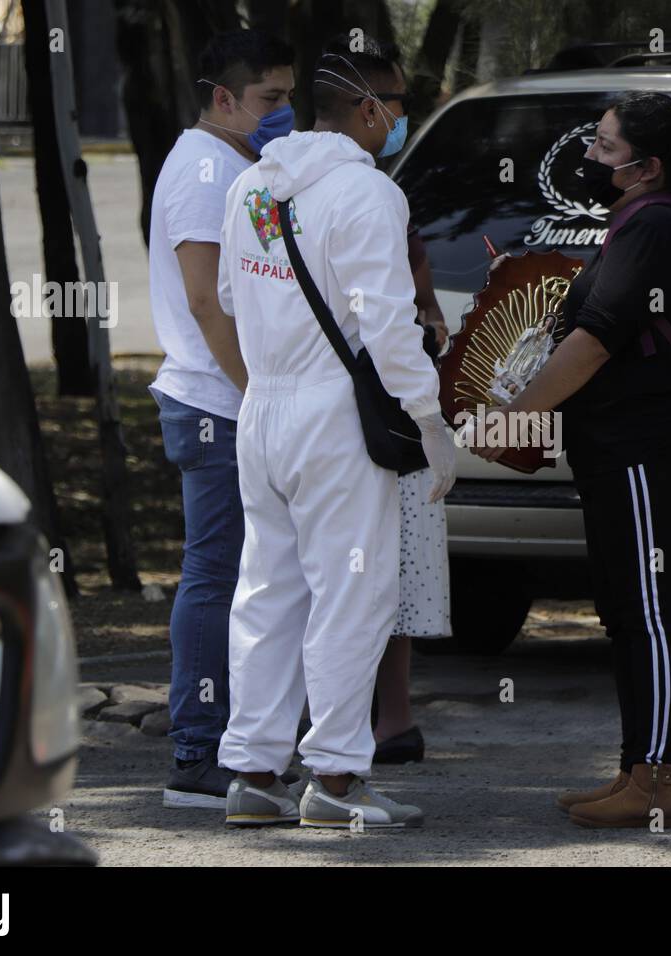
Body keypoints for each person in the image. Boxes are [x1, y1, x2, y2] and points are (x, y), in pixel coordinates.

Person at [216, 35, 456, 828]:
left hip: (264, 409)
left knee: (267, 592)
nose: (398, 124)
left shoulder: (252, 183)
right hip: (334, 416)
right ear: (367, 110)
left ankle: (254, 773)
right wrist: (429, 421)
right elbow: (387, 324)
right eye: (395, 110)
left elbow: (227, 294)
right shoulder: (367, 194)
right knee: (354, 594)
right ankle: (338, 779)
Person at [467, 91, 671, 828]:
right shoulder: (634, 222)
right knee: (622, 609)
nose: (589, 158)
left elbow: (596, 339)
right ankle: (633, 769)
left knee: (646, 608)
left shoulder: (657, 229)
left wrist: (516, 417)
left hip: (645, 447)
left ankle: (660, 780)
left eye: (605, 149)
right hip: (617, 447)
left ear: (648, 167)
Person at [149, 30, 296, 810]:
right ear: (223, 98)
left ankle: (234, 747)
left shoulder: (234, 165)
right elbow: (207, 300)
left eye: (288, 96)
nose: (284, 111)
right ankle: (197, 754)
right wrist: (259, 391)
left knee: (245, 577)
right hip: (216, 402)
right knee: (217, 574)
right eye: (270, 99)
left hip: (229, 397)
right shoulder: (208, 172)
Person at [373, 222, 451, 765]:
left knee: (353, 574)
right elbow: (427, 317)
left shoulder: (277, 197)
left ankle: (357, 722)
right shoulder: (383, 202)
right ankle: (392, 719)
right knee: (393, 567)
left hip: (356, 416)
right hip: (395, 418)